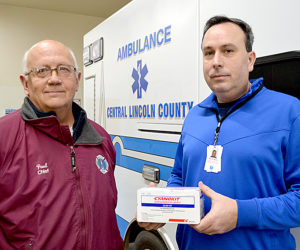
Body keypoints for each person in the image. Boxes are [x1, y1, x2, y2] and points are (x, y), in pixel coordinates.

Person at [138, 16, 300, 249]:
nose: (216, 61)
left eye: (228, 51)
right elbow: (178, 176)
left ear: (250, 60)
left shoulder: (290, 112)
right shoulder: (194, 116)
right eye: (208, 53)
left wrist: (240, 213)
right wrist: (164, 205)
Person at [0, 40, 123, 249]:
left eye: (64, 70)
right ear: (25, 84)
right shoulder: (5, 136)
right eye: (42, 71)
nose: (54, 79)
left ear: (77, 80)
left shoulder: (100, 138)